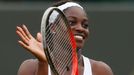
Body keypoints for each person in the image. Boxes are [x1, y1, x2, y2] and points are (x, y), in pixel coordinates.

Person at [16, 0, 114, 75]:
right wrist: (43, 63)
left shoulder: (101, 71)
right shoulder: (30, 68)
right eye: (71, 22)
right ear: (53, 27)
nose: (80, 28)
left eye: (85, 25)